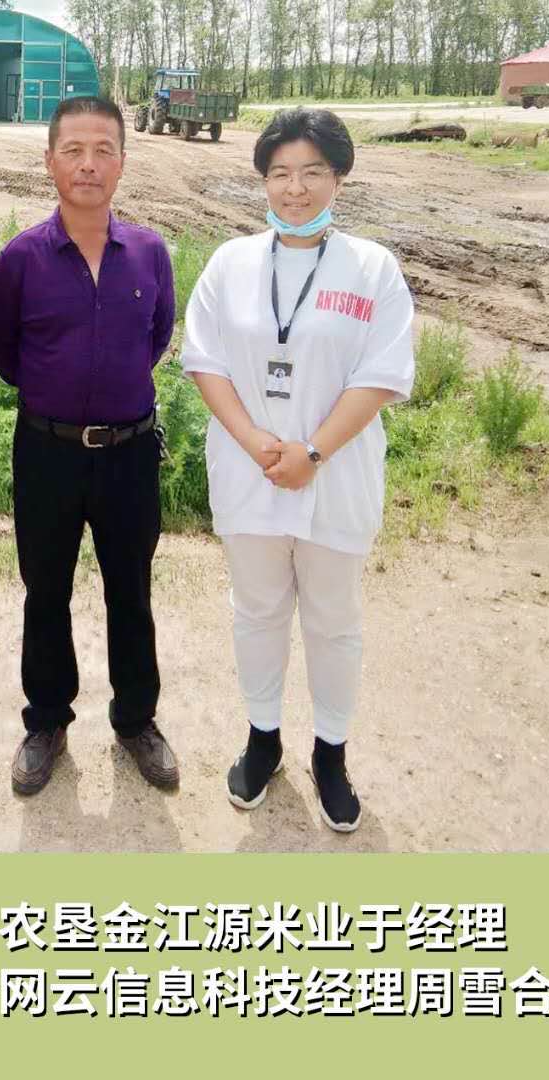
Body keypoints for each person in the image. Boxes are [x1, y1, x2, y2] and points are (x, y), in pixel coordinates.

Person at [181, 107, 415, 830]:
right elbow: (205, 361)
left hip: (334, 476)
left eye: (313, 171)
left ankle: (330, 753)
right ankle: (262, 739)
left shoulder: (372, 268)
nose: (296, 188)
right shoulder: (230, 264)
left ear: (338, 177)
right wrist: (256, 441)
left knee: (333, 620)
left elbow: (380, 376)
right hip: (249, 471)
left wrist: (313, 452)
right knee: (256, 612)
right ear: (263, 181)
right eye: (281, 173)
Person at [0, 96, 178, 796]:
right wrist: (57, 394)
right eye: (73, 150)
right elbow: (2, 349)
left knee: (131, 590)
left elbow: (157, 336)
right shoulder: (20, 258)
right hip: (48, 453)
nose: (88, 164)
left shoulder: (149, 252)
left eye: (102, 150)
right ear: (50, 162)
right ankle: (46, 722)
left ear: (121, 161)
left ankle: (136, 720)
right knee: (46, 591)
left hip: (129, 454)